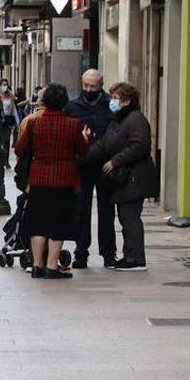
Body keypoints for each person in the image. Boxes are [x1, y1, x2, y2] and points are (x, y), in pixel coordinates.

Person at [14, 84, 88, 279]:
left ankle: (37, 265)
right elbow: (83, 151)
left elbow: (19, 150)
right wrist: (85, 138)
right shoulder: (74, 125)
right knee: (59, 222)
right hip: (64, 181)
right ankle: (51, 266)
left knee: (38, 222)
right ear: (65, 103)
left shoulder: (33, 124)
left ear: (44, 102)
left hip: (38, 179)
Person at [83, 82, 158, 272]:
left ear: (126, 100)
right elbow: (104, 145)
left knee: (130, 217)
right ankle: (129, 255)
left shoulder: (135, 119)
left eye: (116, 98)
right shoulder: (118, 120)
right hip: (125, 179)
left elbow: (140, 145)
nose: (112, 101)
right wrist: (81, 156)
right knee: (125, 217)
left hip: (135, 177)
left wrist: (116, 161)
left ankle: (136, 258)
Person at [65, 69, 117, 269]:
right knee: (81, 211)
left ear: (100, 86)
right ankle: (81, 252)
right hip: (82, 166)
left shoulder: (110, 105)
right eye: (85, 85)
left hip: (105, 165)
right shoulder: (72, 107)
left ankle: (109, 253)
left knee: (106, 211)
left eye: (93, 86)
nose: (88, 89)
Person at [0, 79, 17, 167]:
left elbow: (14, 109)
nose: (5, 86)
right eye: (3, 84)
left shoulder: (10, 96)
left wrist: (18, 122)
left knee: (6, 141)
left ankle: (6, 161)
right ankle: (0, 160)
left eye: (6, 84)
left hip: (7, 120)